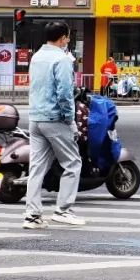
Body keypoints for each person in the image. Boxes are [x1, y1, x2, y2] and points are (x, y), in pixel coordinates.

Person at [24, 21, 86, 228]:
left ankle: (32, 215)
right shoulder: (62, 59)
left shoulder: (36, 57)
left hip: (35, 118)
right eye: (68, 37)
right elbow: (65, 94)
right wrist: (71, 121)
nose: (68, 40)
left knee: (36, 168)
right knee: (73, 163)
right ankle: (63, 210)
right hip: (55, 119)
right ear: (63, 38)